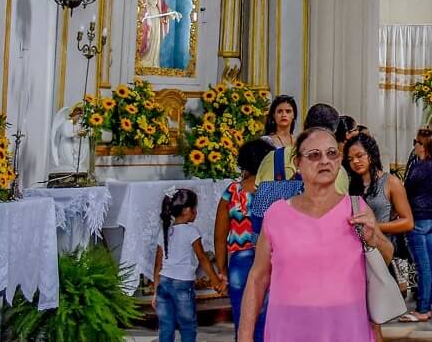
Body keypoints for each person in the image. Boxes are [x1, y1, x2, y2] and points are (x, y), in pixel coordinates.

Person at [237, 125, 391, 342]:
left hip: (346, 327)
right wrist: (245, 336)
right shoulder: (277, 214)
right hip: (289, 328)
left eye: (331, 153)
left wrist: (373, 238)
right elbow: (258, 277)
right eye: (314, 155)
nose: (325, 161)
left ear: (339, 162)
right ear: (298, 163)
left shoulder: (357, 208)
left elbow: (386, 255)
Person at [155, 188, 224, 342]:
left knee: (166, 326)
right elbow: (203, 259)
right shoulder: (191, 231)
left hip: (164, 283)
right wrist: (216, 282)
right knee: (187, 325)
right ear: (186, 210)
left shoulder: (165, 231)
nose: (196, 212)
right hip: (182, 285)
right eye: (194, 208)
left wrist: (155, 291)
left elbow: (158, 265)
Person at [215, 140, 269, 332]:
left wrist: (222, 270)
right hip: (268, 259)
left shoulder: (233, 191)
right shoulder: (274, 191)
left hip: (239, 261)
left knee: (242, 321)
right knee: (265, 321)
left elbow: (220, 237)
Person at [403, 126, 432, 322]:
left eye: (417, 143)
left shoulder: (420, 167)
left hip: (419, 218)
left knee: (423, 266)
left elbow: (407, 189)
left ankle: (422, 308)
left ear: (424, 146)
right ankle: (426, 306)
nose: (415, 146)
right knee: (429, 263)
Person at [343, 130, 413, 237]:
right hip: (356, 247)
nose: (355, 161)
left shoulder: (391, 182)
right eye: (350, 159)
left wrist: (374, 226)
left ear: (370, 154)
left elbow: (408, 222)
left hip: (382, 246)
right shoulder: (349, 184)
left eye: (359, 155)